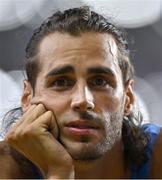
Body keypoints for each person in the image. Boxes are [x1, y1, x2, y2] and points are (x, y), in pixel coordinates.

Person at [0, 6, 162, 179]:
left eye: (100, 81)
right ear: (28, 98)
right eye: (61, 82)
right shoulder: (7, 167)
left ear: (128, 98)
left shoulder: (157, 156)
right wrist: (59, 172)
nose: (83, 100)